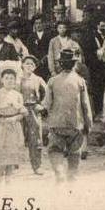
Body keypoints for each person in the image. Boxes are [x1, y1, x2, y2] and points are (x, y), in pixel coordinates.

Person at [43, 49, 93, 183]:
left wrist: (43, 113)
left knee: (55, 150)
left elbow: (46, 104)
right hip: (75, 123)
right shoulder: (80, 81)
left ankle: (59, 172)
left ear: (60, 64)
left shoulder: (52, 81)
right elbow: (85, 104)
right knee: (74, 152)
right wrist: (88, 124)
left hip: (57, 123)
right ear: (74, 64)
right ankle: (72, 178)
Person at [0, 62, 27, 183]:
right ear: (2, 80)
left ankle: (9, 176)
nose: (9, 80)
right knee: (1, 150)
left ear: (15, 80)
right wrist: (2, 120)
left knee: (12, 151)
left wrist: (15, 118)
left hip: (14, 126)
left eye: (12, 78)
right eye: (7, 78)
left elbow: (23, 113)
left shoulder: (18, 95)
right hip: (1, 126)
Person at [20, 55, 47, 175]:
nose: (29, 66)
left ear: (35, 67)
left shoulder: (38, 79)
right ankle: (12, 164)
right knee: (16, 137)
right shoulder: (17, 79)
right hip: (19, 110)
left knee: (36, 139)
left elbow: (48, 93)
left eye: (32, 64)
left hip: (33, 110)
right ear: (22, 65)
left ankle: (37, 166)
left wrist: (42, 105)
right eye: (27, 63)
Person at [27, 15, 53, 81]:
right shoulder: (31, 37)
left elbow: (50, 49)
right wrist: (35, 59)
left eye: (40, 23)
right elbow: (29, 50)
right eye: (36, 23)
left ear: (44, 24)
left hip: (46, 63)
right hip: (35, 64)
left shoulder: (49, 36)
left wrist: (45, 58)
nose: (38, 25)